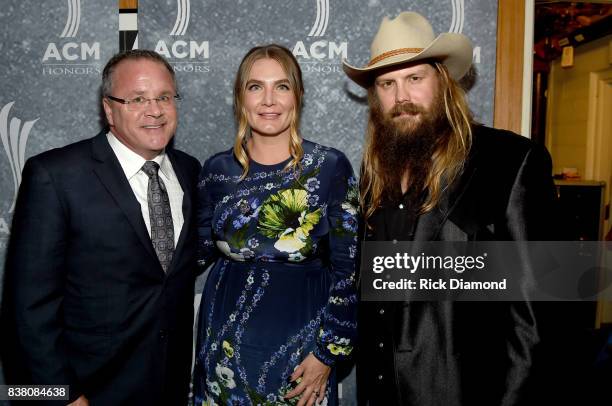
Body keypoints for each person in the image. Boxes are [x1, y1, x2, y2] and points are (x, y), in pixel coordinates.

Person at [342, 12, 559, 406]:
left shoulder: (510, 161)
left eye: (415, 78)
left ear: (443, 81)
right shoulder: (374, 172)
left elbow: (536, 316)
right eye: (387, 84)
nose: (401, 97)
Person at [1, 49, 201, 405]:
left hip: (168, 389)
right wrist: (59, 396)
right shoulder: (56, 176)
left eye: (164, 97)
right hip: (87, 393)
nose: (154, 110)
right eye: (137, 99)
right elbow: (27, 310)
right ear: (109, 109)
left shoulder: (190, 171)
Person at [193, 44, 358, 406]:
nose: (269, 100)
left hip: (300, 351)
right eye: (255, 87)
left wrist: (327, 354)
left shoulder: (329, 167)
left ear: (298, 96)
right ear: (240, 98)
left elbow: (350, 270)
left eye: (281, 87)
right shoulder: (216, 171)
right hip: (222, 347)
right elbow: (195, 254)